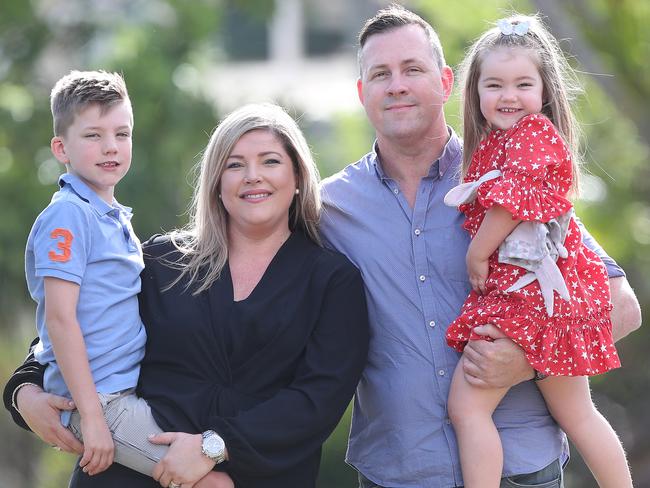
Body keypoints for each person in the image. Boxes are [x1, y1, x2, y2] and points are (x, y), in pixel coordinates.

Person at [319, 5, 641, 488]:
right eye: (381, 74)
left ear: (447, 82)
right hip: (399, 472)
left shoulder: (505, 173)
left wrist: (528, 359)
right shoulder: (329, 207)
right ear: (363, 93)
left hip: (521, 471)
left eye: (413, 69)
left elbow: (623, 307)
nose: (397, 84)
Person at [4, 102, 369, 488]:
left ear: (297, 175)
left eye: (270, 161)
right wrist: (23, 391)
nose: (252, 177)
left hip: (251, 478)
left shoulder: (333, 281)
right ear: (215, 180)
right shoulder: (160, 260)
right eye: (234, 165)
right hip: (125, 474)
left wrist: (215, 446)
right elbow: (79, 323)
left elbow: (317, 400)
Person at [442, 14, 633, 488]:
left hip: (530, 291)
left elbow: (513, 202)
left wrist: (477, 253)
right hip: (549, 295)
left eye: (523, 84)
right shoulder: (495, 144)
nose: (509, 96)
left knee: (466, 408)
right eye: (495, 85)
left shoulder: (531, 135)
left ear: (545, 91)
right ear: (476, 92)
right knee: (578, 414)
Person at [19, 69, 229, 487]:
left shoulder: (112, 217)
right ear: (61, 147)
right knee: (214, 483)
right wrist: (93, 419)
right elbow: (60, 320)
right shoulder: (68, 215)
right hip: (101, 403)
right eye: (94, 136)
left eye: (122, 133)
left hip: (125, 393)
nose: (111, 147)